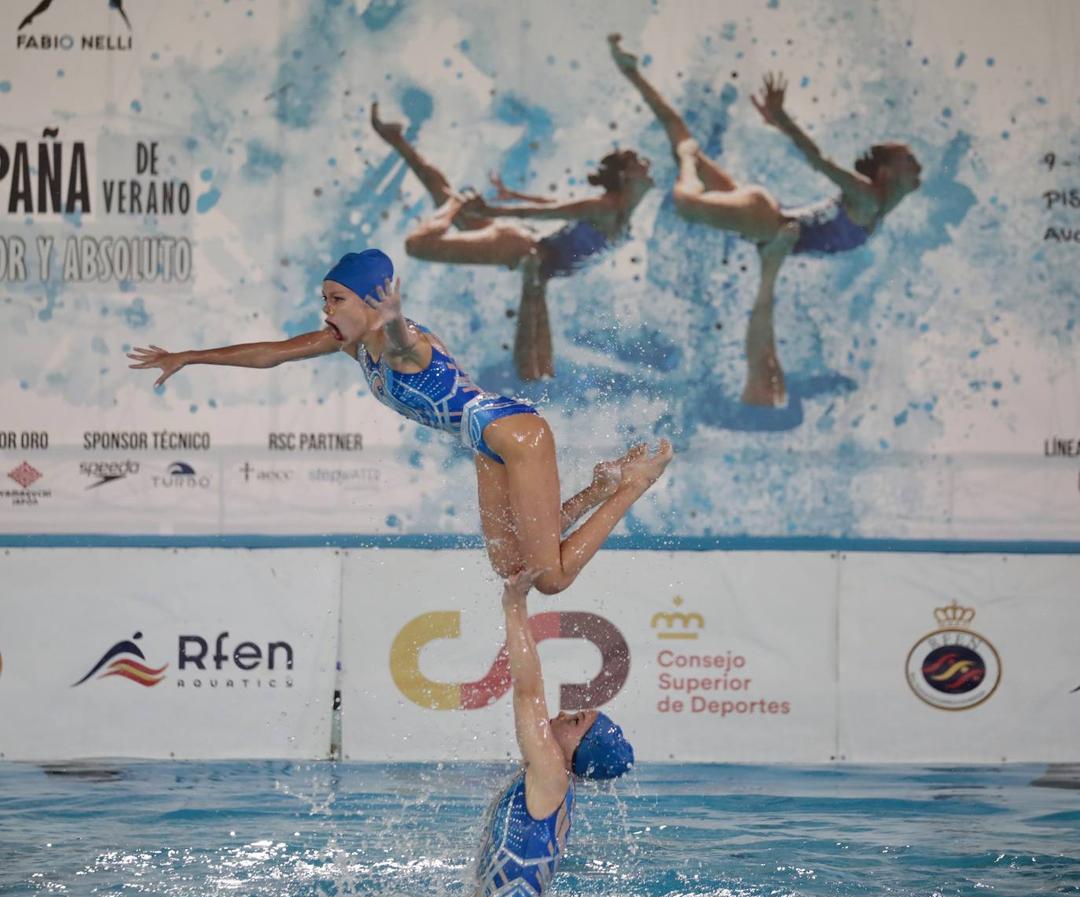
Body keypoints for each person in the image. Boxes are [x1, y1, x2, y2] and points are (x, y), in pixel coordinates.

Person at [128, 249, 673, 595]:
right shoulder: (350, 344)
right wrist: (190, 355)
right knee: (515, 572)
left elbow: (404, 346)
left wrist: (391, 324)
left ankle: (629, 487)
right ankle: (599, 488)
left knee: (550, 578)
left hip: (517, 434)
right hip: (484, 444)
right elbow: (273, 352)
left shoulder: (401, 343)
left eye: (336, 299)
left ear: (372, 302)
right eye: (324, 299)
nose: (326, 310)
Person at [607, 35, 922, 406]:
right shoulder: (867, 197)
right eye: (908, 158)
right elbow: (819, 160)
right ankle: (688, 159)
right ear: (885, 172)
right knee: (686, 199)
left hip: (766, 220)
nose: (916, 163)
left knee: (682, 141)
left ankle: (631, 73)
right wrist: (782, 120)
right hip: (764, 220)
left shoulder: (875, 207)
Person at [370, 103, 654, 380]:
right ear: (625, 176)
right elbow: (548, 212)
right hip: (521, 246)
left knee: (443, 196)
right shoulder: (605, 207)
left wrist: (511, 195)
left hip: (531, 251)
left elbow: (556, 204)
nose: (648, 165)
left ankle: (397, 140)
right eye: (640, 163)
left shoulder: (618, 215)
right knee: (418, 245)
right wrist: (492, 210)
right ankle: (455, 202)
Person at [475, 567, 634, 897]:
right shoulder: (561, 789)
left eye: (575, 722)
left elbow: (528, 690)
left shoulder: (550, 772)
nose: (562, 714)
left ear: (580, 751)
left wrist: (515, 604)